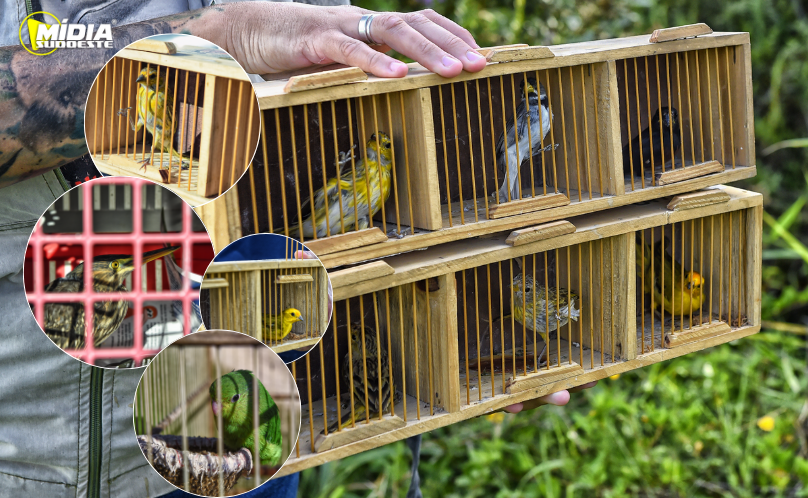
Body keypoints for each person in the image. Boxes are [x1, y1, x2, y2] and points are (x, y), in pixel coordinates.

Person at [0, 2, 593, 497]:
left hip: (251, 440)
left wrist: (450, 330)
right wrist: (215, 38)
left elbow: (309, 163)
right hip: (36, 463)